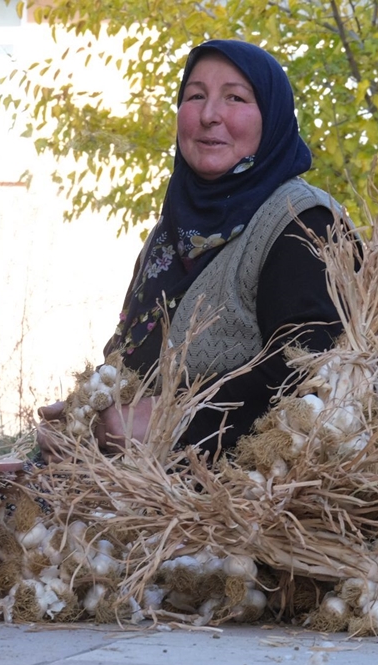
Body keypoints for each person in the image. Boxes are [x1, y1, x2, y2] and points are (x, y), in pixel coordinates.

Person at [38, 39, 346, 460]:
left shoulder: (302, 222)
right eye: (195, 96)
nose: (208, 115)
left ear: (271, 119)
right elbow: (129, 367)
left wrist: (174, 420)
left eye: (234, 97)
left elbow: (312, 365)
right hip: (142, 493)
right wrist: (84, 421)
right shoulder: (170, 235)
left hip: (244, 502)